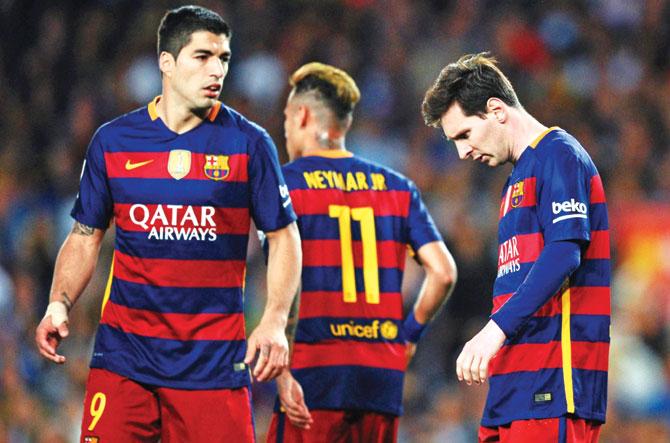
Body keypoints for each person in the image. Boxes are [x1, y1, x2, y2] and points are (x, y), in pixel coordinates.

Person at [34, 5, 302, 442]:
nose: (217, 69)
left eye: (224, 58)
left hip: (213, 367)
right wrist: (58, 303)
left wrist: (274, 318)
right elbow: (85, 236)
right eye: (202, 57)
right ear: (167, 62)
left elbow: (283, 234)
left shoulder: (248, 144)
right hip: (125, 361)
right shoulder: (114, 142)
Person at [422, 53, 611, 443]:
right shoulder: (514, 180)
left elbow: (564, 252)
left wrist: (494, 331)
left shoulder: (559, 154)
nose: (463, 153)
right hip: (514, 385)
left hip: (553, 384)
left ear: (496, 110)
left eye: (464, 135)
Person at [266, 62, 457, 443]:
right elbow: (444, 272)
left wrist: (281, 370)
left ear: (302, 115)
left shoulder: (286, 184)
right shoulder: (398, 188)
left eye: (287, 118)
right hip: (380, 378)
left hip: (314, 373)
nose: (286, 129)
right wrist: (409, 336)